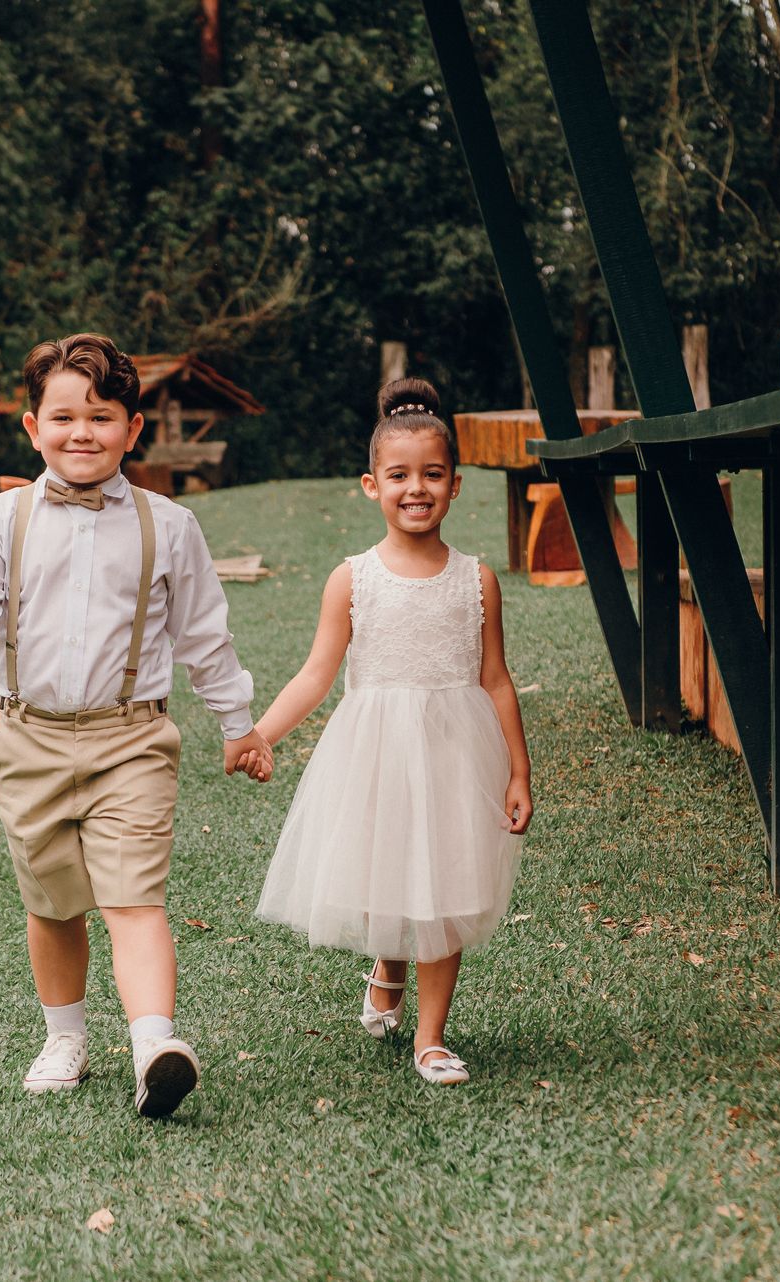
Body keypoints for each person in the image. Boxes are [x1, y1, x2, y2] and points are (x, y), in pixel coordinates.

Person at [0, 332, 272, 1117]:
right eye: (63, 416)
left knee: (133, 895)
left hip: (133, 738)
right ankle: (65, 1036)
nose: (81, 431)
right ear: (32, 427)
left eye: (102, 416)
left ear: (133, 428)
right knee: (53, 900)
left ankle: (155, 1044)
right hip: (28, 734)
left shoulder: (169, 526)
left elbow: (203, 636)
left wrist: (237, 722)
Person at [247, 377, 533, 1085]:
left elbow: (496, 679)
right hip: (374, 750)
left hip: (456, 753)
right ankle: (388, 961)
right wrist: (261, 733)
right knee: (388, 877)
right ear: (371, 485)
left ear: (457, 485)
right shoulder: (353, 579)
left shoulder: (477, 580)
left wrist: (518, 772)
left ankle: (430, 1040)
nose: (417, 488)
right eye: (400, 476)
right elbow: (316, 673)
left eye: (432, 475)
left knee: (447, 885)